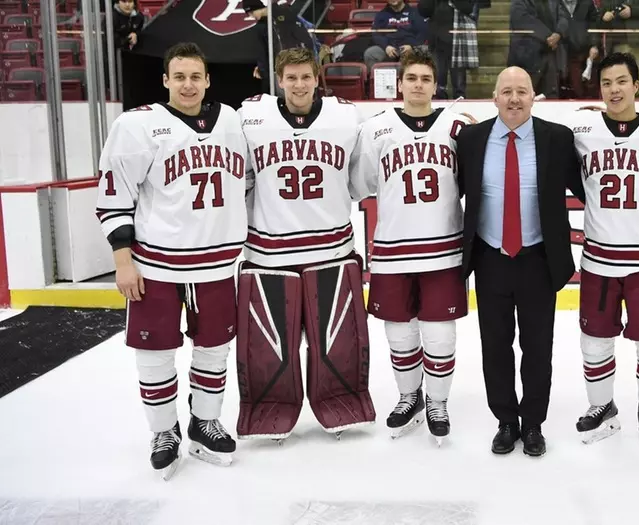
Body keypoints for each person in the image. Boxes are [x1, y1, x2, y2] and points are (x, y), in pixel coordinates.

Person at [94, 42, 246, 480]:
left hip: (218, 264)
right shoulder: (136, 125)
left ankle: (205, 420)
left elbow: (248, 184)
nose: (188, 84)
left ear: (208, 79)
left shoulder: (232, 121)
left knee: (214, 349)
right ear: (165, 80)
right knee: (154, 353)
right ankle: (164, 431)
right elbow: (113, 195)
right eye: (179, 76)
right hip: (156, 263)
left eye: (195, 76)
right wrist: (123, 260)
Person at [236, 48, 374, 442]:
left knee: (338, 342)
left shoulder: (345, 116)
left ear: (318, 78)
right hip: (269, 250)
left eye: (305, 77)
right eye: (291, 78)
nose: (299, 85)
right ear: (279, 79)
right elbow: (242, 178)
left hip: (331, 248)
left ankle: (341, 401)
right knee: (268, 347)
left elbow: (359, 176)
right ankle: (269, 406)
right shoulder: (251, 116)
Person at [455, 66, 584, 457]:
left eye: (522, 91)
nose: (514, 98)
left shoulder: (557, 138)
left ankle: (532, 424)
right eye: (506, 91)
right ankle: (505, 421)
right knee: (495, 346)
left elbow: (587, 186)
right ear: (494, 97)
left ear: (534, 96)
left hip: (537, 259)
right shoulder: (473, 139)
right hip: (491, 257)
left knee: (537, 347)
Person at [567, 52, 639, 450]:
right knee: (594, 340)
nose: (614, 90)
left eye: (621, 81)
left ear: (637, 85)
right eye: (606, 83)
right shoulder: (582, 130)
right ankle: (602, 407)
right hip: (600, 258)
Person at [354, 49, 471, 445]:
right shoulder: (375, 129)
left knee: (439, 337)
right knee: (400, 337)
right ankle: (409, 397)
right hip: (392, 251)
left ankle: (437, 401)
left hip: (444, 250)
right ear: (399, 84)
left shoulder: (457, 127)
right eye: (412, 78)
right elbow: (364, 183)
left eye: (426, 78)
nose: (418, 84)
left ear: (435, 85)